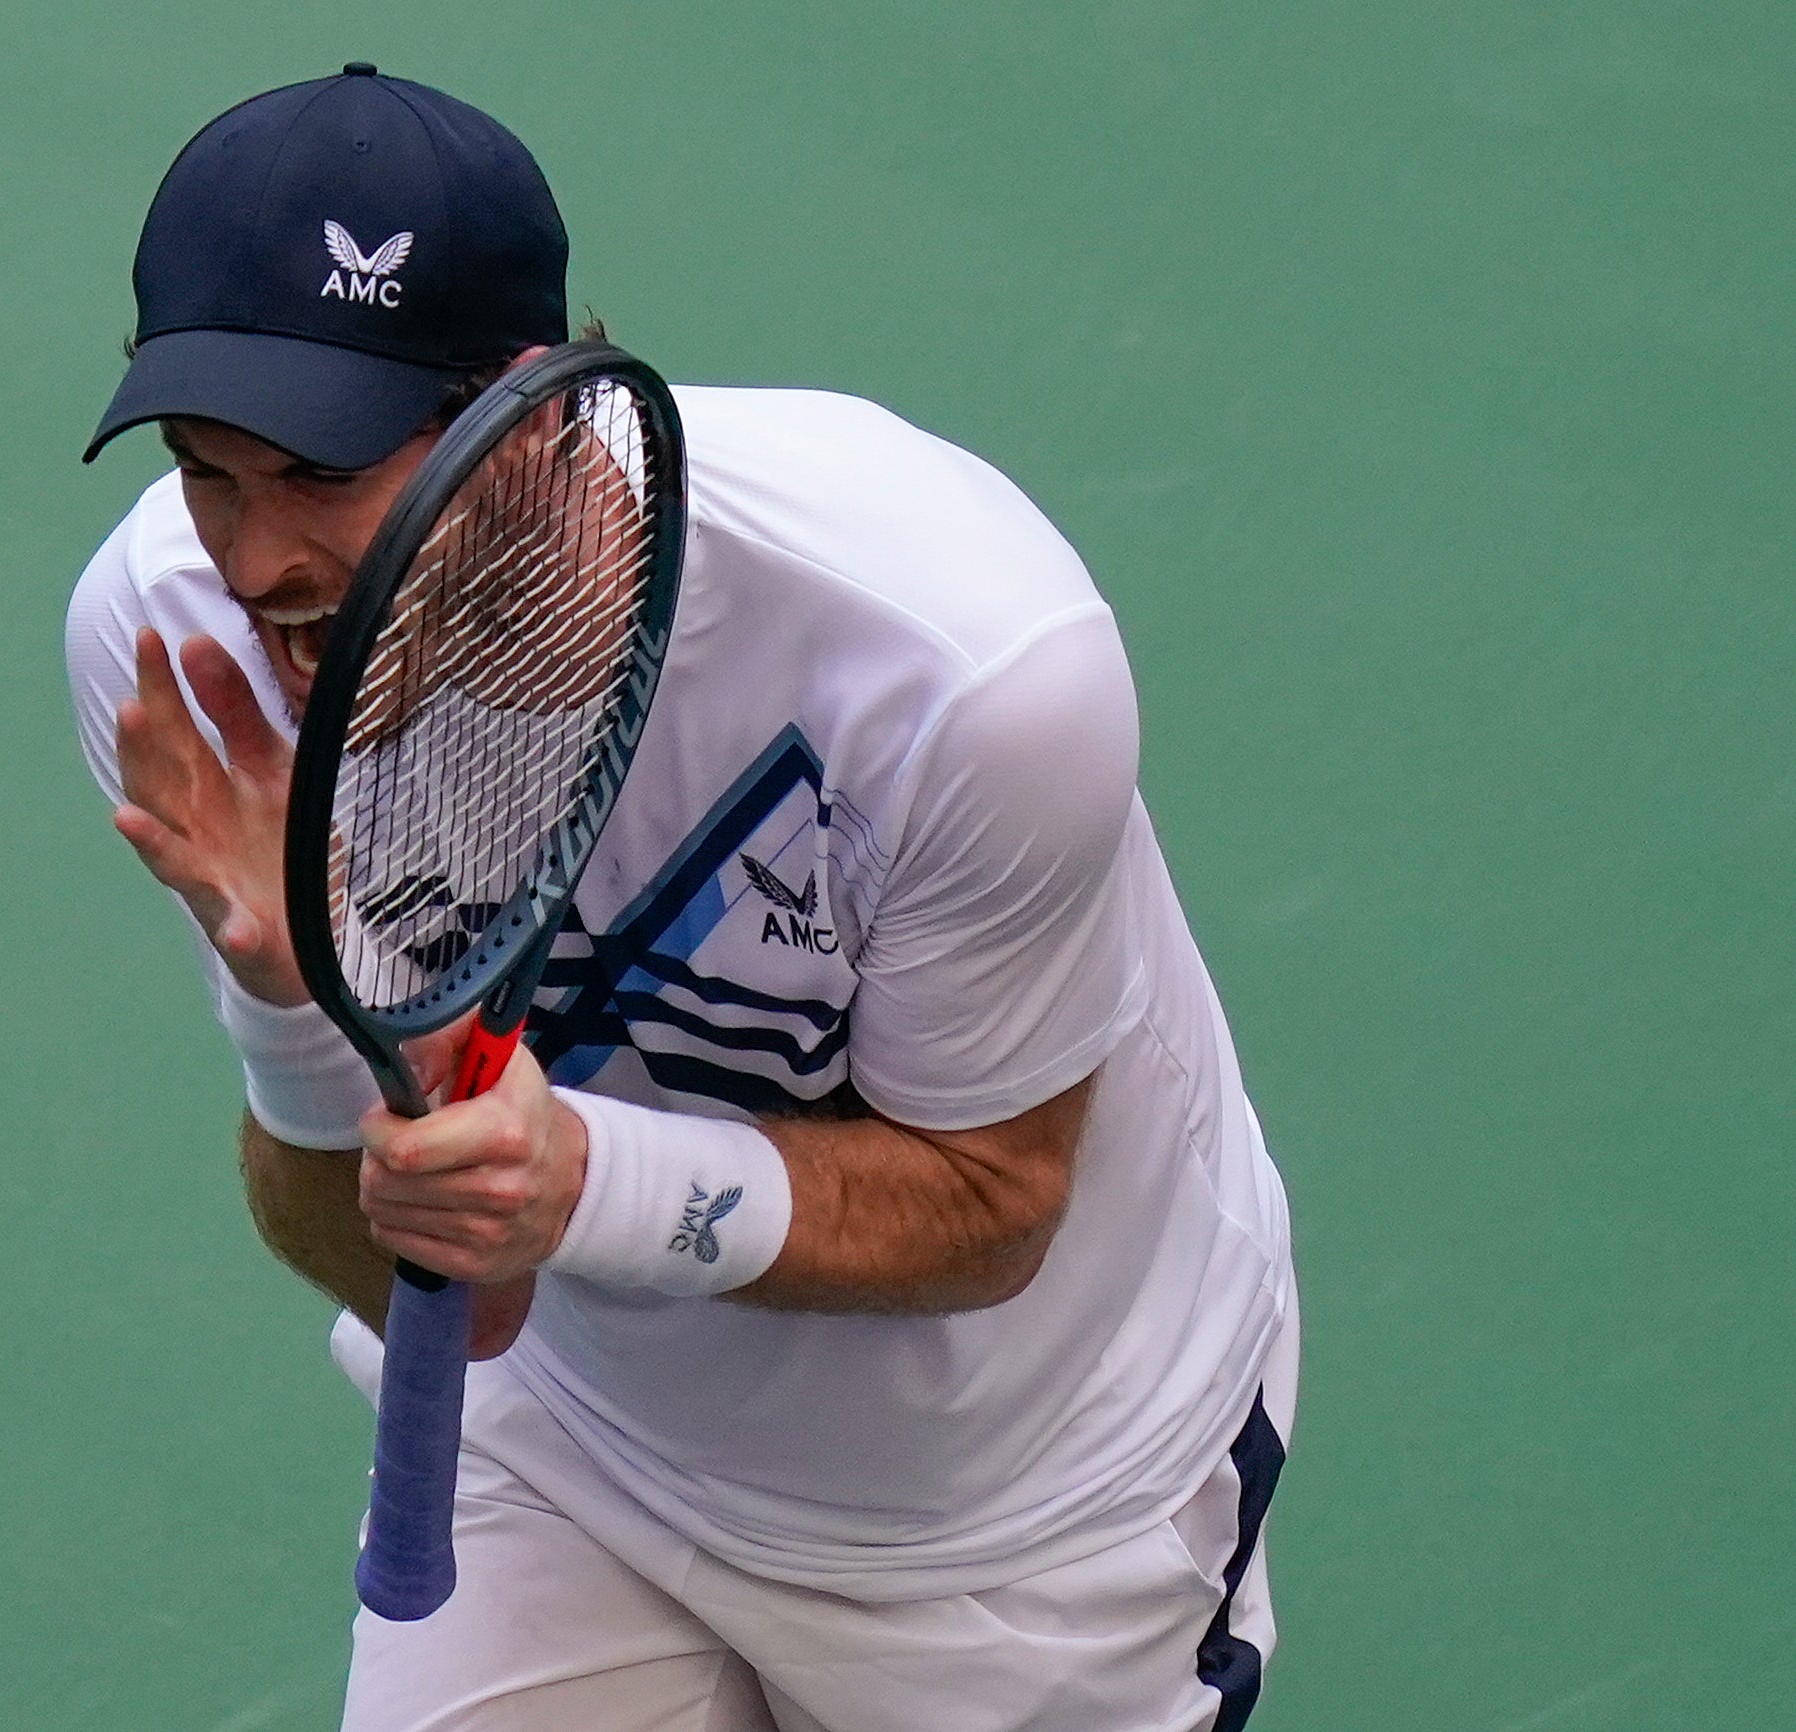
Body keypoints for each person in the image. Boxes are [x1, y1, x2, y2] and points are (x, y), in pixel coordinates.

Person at [67, 64, 1299, 1732]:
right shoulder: (186, 663)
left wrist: (584, 1179)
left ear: (527, 417)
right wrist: (294, 1002)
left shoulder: (952, 665)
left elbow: (996, 1200)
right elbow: (455, 1300)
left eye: (317, 475)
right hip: (571, 1450)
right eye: (210, 474)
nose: (254, 561)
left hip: (1026, 1523)